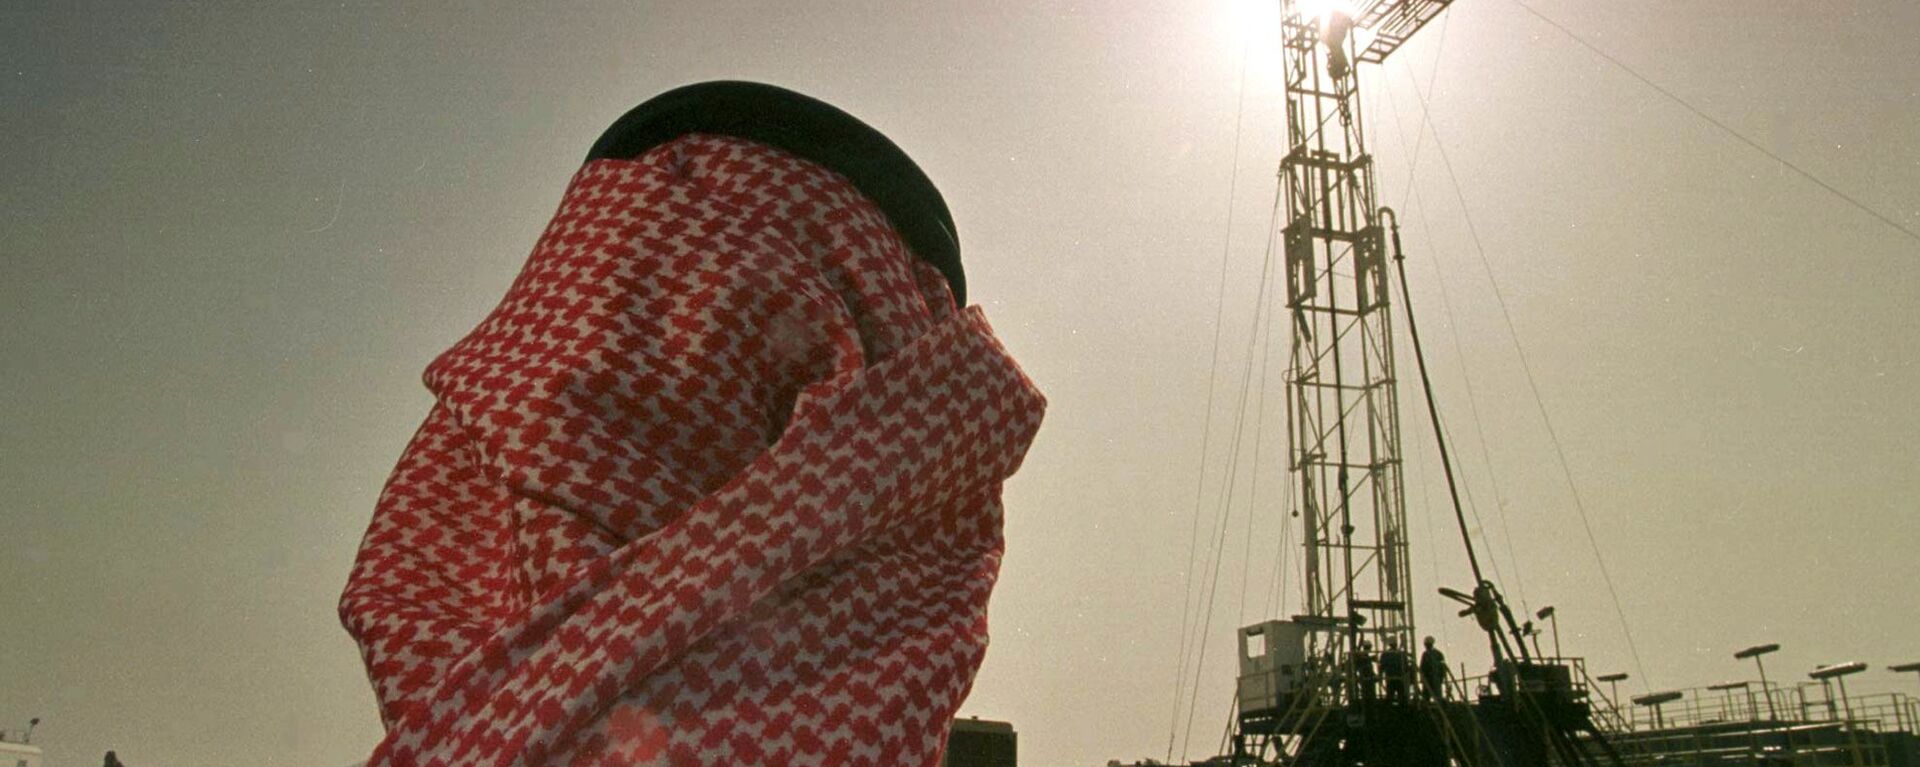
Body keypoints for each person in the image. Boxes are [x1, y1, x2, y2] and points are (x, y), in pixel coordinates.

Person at [1380, 636, 1411, 704]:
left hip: (1390, 678)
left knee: (1390, 696)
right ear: (1396, 644)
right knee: (1401, 695)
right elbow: (1406, 667)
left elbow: (1382, 667)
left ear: (1389, 644)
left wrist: (1380, 676)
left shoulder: (1385, 654)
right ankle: (1404, 710)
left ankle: (1389, 710)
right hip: (1400, 678)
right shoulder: (1401, 654)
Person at [1421, 636, 1450, 701]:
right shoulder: (1438, 654)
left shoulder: (1426, 654)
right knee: (1436, 695)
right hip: (1435, 679)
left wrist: (1422, 679)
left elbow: (1422, 667)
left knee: (1428, 696)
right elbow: (1443, 667)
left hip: (1430, 679)